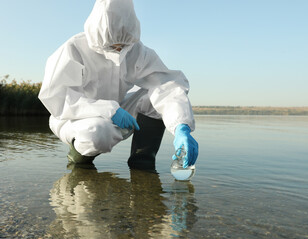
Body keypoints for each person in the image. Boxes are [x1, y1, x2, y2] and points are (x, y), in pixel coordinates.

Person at [38, 0, 198, 170]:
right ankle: (79, 162)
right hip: (75, 116)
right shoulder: (74, 49)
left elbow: (167, 85)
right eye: (112, 45)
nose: (119, 50)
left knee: (155, 100)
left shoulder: (136, 50)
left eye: (123, 44)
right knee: (98, 132)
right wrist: (109, 110)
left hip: (119, 110)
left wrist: (181, 126)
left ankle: (142, 164)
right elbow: (58, 98)